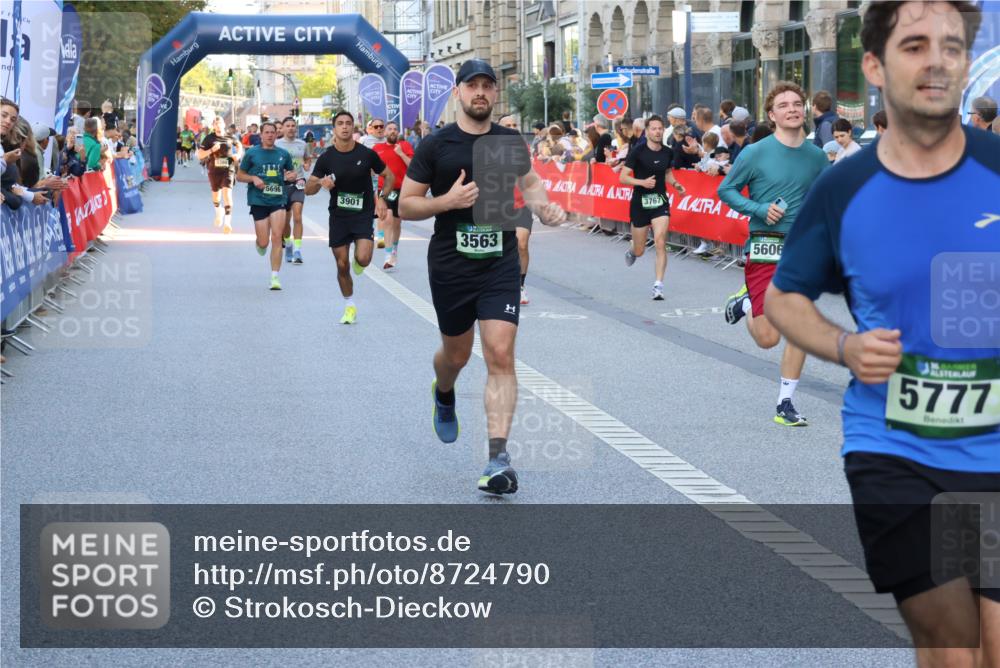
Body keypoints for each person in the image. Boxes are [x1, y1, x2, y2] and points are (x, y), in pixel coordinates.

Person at [764, 3, 999, 665]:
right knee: (954, 644)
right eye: (915, 45)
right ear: (874, 65)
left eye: (952, 46)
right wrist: (843, 346)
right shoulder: (845, 189)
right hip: (896, 448)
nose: (936, 60)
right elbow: (785, 298)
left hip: (996, 448)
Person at [398, 59, 566, 495]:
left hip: (499, 259)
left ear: (495, 94)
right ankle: (444, 391)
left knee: (500, 351)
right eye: (472, 85)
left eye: (487, 86)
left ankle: (497, 458)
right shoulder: (437, 145)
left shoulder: (510, 141)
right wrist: (447, 201)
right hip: (452, 263)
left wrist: (545, 206)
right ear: (458, 92)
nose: (480, 92)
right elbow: (407, 205)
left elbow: (529, 184)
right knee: (456, 355)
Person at [718, 81, 829, 426]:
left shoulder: (816, 155)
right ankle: (748, 303)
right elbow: (726, 189)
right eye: (784, 105)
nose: (793, 109)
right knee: (768, 338)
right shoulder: (756, 152)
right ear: (772, 114)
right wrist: (760, 208)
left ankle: (785, 402)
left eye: (797, 103)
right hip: (765, 246)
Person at [305, 110, 393, 323]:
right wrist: (319, 183)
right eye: (340, 123)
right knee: (342, 265)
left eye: (348, 123)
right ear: (334, 129)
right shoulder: (327, 157)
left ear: (354, 128)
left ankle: (359, 262)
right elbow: (308, 189)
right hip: (339, 216)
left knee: (363, 258)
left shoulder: (366, 154)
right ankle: (349, 305)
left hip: (362, 214)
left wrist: (381, 197)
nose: (345, 127)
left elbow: (388, 175)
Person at [621, 114, 687, 301]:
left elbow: (667, 174)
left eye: (660, 128)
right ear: (647, 131)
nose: (657, 131)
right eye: (653, 129)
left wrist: (677, 185)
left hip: (659, 201)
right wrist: (641, 182)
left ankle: (658, 285)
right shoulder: (637, 151)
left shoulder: (668, 152)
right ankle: (633, 249)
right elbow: (623, 177)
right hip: (640, 203)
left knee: (660, 241)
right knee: (640, 250)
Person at [235, 121, 296, 290]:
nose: (270, 135)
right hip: (258, 200)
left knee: (277, 237)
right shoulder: (252, 153)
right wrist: (253, 178)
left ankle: (275, 277)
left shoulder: (283, 154)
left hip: (278, 199)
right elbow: (240, 175)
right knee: (264, 242)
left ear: (277, 134)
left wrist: (291, 176)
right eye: (267, 132)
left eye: (273, 132)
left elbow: (290, 173)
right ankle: (260, 243)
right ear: (261, 135)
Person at [499, 114, 535, 305]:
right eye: (508, 125)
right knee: (502, 248)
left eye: (515, 124)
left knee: (521, 243)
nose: (513, 128)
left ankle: (520, 286)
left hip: (521, 204)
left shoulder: (523, 148)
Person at [371, 120, 413, 270]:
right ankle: (388, 255)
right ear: (385, 132)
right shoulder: (377, 148)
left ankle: (394, 248)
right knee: (387, 219)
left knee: (397, 222)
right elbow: (370, 168)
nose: (393, 131)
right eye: (390, 129)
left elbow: (412, 166)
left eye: (395, 129)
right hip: (386, 189)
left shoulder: (405, 146)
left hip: (403, 189)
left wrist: (401, 153)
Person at [275, 116, 311, 264]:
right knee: (284, 221)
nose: (290, 128)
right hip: (282, 184)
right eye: (287, 125)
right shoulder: (277, 144)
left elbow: (307, 158)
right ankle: (288, 244)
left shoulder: (302, 144)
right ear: (282, 129)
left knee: (297, 216)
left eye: (293, 126)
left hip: (298, 183)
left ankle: (297, 250)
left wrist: (306, 165)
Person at [198, 115, 241, 233]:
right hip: (214, 170)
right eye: (215, 123)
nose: (218, 125)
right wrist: (211, 150)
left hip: (228, 169)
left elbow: (239, 145)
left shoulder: (230, 136)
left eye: (220, 123)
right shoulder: (209, 138)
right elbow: (200, 154)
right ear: (213, 126)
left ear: (223, 124)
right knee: (216, 197)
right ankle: (218, 211)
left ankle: (227, 223)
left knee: (227, 194)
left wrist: (238, 154)